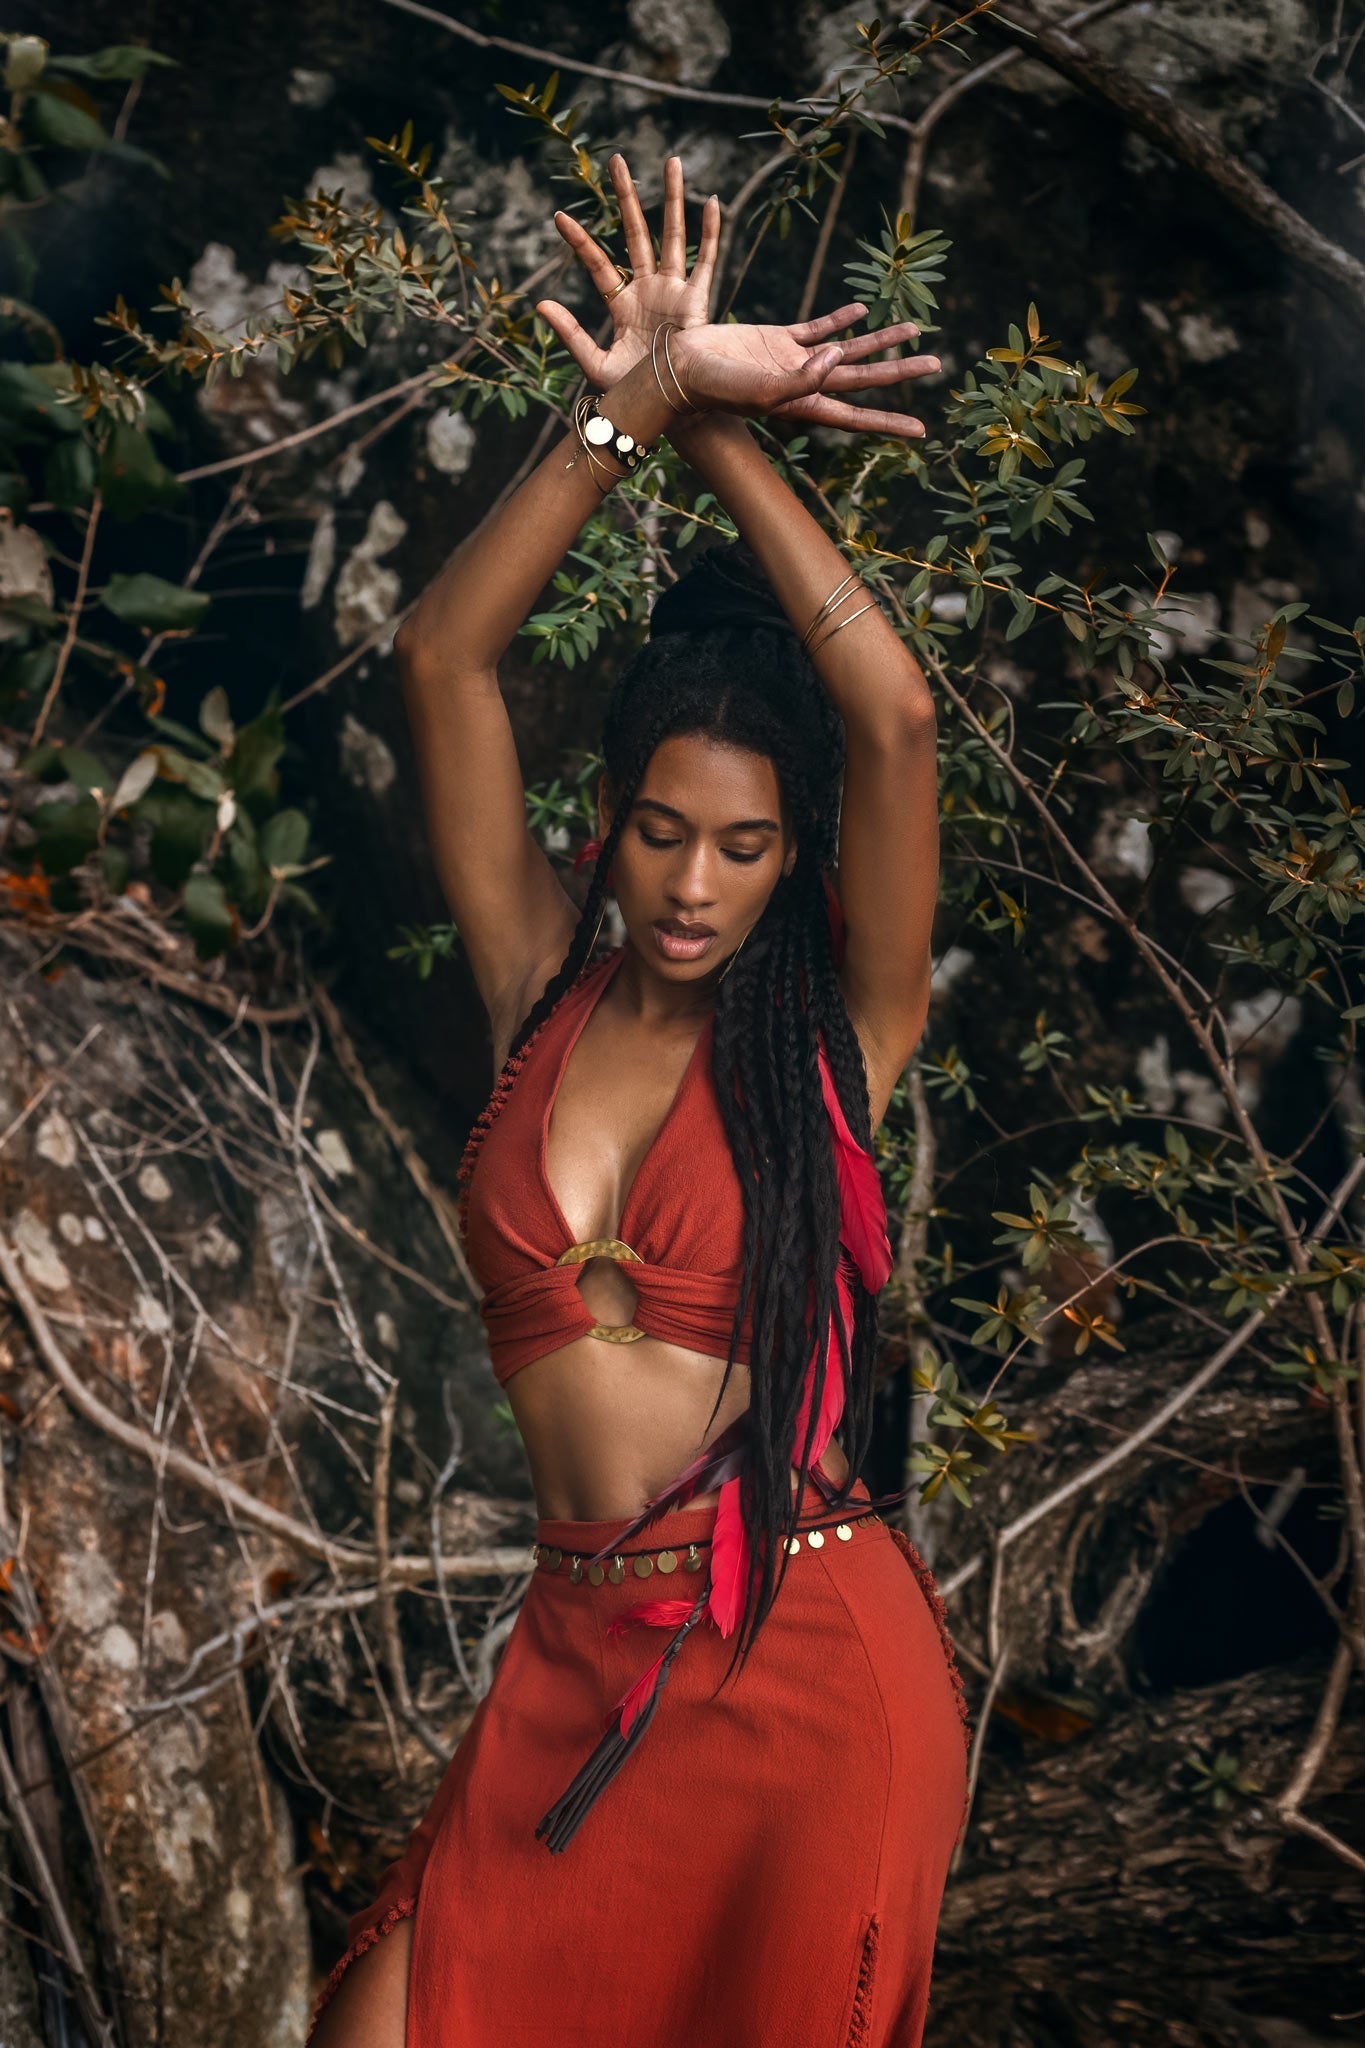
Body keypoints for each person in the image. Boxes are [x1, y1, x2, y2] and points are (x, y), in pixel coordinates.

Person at [308, 150, 968, 2048]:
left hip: (801, 1658)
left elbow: (897, 721)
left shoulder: (839, 1032)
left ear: (791, 858)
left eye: (742, 848)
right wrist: (633, 404)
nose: (691, 884)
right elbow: (442, 657)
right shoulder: (541, 987)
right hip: (580, 1649)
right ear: (606, 825)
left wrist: (723, 444)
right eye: (662, 832)